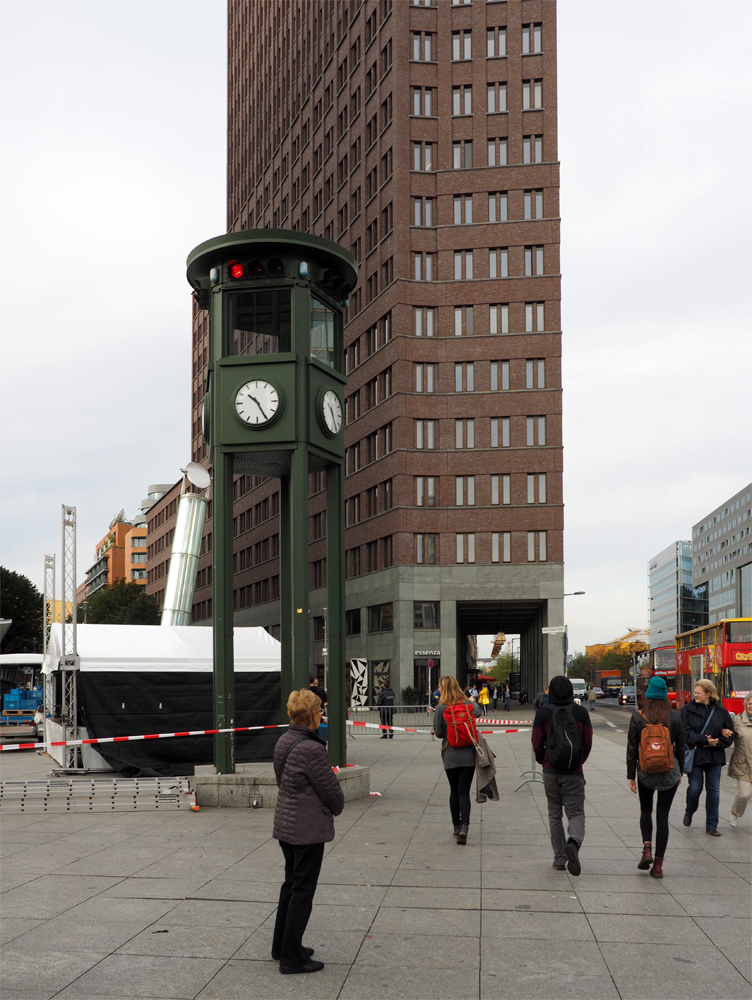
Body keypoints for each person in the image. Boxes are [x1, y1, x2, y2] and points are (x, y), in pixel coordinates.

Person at [272, 689, 344, 975]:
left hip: (287, 824)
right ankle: (291, 957)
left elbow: (281, 780)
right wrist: (336, 808)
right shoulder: (312, 749)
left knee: (291, 885)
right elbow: (332, 792)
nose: (322, 715)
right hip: (307, 828)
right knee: (303, 890)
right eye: (320, 711)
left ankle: (283, 946)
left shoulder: (284, 740)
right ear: (313, 715)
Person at [532, 675, 592, 875]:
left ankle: (559, 859)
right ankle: (573, 844)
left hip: (551, 771)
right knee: (575, 813)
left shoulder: (543, 713)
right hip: (574, 772)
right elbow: (587, 741)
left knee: (554, 814)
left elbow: (536, 742)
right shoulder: (581, 712)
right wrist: (579, 761)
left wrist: (544, 761)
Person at [626, 676, 685, 878]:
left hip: (645, 771)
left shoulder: (638, 717)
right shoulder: (675, 717)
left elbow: (632, 750)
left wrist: (630, 775)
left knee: (645, 809)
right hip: (669, 771)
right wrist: (680, 772)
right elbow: (681, 749)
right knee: (663, 816)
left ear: (648, 696)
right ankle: (658, 865)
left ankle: (647, 849)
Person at [433, 675, 483, 845]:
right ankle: (465, 827)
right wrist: (471, 700)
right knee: (464, 792)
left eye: (440, 686)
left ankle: (456, 827)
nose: (438, 689)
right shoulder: (467, 704)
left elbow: (438, 732)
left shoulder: (441, 708)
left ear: (444, 688)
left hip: (450, 754)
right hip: (468, 754)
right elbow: (478, 713)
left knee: (454, 791)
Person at [681, 679, 734, 836]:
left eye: (699, 692)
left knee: (714, 791)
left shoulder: (721, 712)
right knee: (695, 788)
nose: (695, 695)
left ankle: (711, 825)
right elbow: (685, 733)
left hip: (714, 756)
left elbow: (730, 734)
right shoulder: (687, 710)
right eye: (695, 692)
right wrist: (705, 740)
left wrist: (717, 743)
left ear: (708, 694)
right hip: (696, 755)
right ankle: (689, 811)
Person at [729, 693, 752, 828]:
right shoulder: (737, 720)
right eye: (750, 703)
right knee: (744, 794)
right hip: (742, 763)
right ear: (745, 704)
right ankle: (735, 812)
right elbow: (728, 737)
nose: (751, 706)